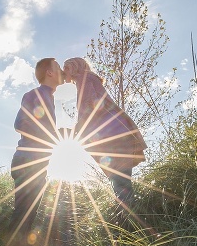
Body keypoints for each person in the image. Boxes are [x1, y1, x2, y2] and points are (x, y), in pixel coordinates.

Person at [62, 57, 147, 218]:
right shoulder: (89, 79)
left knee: (120, 182)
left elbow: (91, 104)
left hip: (113, 137)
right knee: (122, 182)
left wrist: (77, 128)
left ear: (74, 68)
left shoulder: (83, 79)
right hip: (118, 135)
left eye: (65, 68)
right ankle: (134, 221)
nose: (63, 72)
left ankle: (129, 225)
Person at [7, 57, 64, 246]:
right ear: (49, 73)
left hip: (37, 164)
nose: (61, 72)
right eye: (58, 68)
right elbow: (20, 123)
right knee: (22, 218)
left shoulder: (52, 98)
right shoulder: (35, 95)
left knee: (28, 219)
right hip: (27, 162)